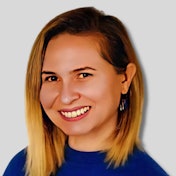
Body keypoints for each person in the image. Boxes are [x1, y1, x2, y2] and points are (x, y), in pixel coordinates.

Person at [3, 6, 169, 176]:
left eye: (83, 75)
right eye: (52, 78)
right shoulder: (22, 167)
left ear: (125, 79)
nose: (66, 97)